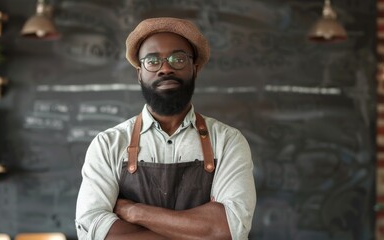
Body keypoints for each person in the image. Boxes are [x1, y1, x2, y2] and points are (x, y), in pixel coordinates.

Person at [75, 17, 256, 240]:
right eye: (152, 61)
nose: (166, 68)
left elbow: (228, 228)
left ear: (195, 69)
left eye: (178, 59)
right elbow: (92, 229)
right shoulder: (108, 144)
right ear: (139, 72)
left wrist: (134, 211)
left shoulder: (228, 141)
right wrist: (196, 230)